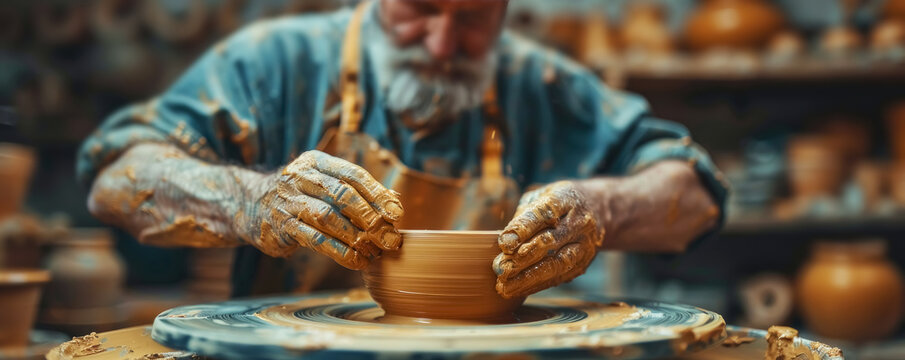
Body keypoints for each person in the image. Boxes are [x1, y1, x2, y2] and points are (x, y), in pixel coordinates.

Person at [77, 0, 727, 299]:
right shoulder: (275, 63)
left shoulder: (537, 85)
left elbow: (696, 195)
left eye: (471, 18)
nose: (441, 45)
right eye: (419, 9)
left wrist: (601, 209)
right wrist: (251, 201)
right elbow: (116, 176)